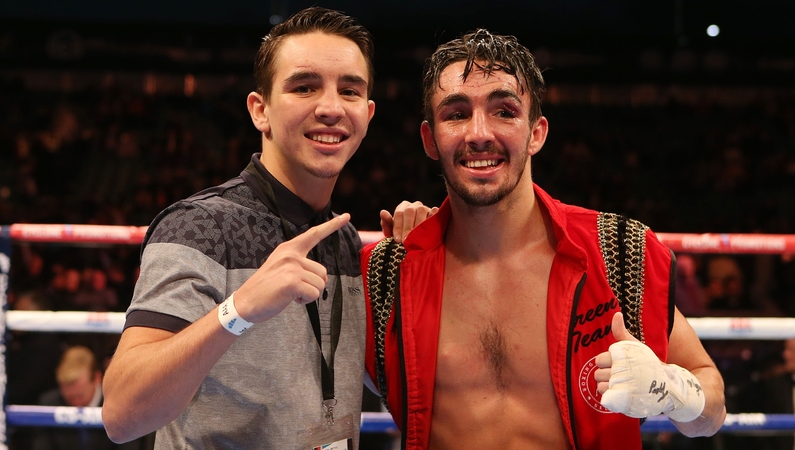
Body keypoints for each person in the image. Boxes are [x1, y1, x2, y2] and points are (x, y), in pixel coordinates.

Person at [360, 29, 726, 449]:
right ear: (430, 139)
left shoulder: (618, 252)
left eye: (504, 111)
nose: (479, 132)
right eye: (456, 113)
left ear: (536, 133)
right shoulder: (386, 272)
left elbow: (711, 408)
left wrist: (672, 391)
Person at [102, 7, 427, 449]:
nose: (331, 107)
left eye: (349, 90)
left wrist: (420, 276)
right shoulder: (200, 226)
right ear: (261, 110)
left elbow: (387, 383)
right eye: (304, 87)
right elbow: (122, 415)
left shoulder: (343, 238)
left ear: (367, 114)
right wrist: (239, 310)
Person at [33, 346, 142, 450]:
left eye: (80, 395)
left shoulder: (120, 404)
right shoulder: (49, 404)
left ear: (97, 378)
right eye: (70, 397)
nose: (76, 402)